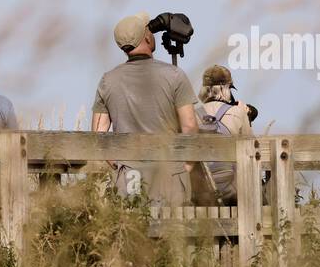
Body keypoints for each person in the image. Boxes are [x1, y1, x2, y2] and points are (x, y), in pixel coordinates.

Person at [91, 10, 198, 207]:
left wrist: (119, 165)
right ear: (148, 38)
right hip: (170, 172)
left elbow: (98, 135)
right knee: (173, 234)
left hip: (129, 175)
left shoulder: (108, 80)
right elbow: (190, 126)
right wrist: (186, 166)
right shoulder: (174, 75)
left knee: (133, 233)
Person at [192, 64, 253, 204]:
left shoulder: (193, 115)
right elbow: (252, 150)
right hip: (233, 192)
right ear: (227, 89)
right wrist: (246, 115)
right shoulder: (238, 112)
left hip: (201, 190)